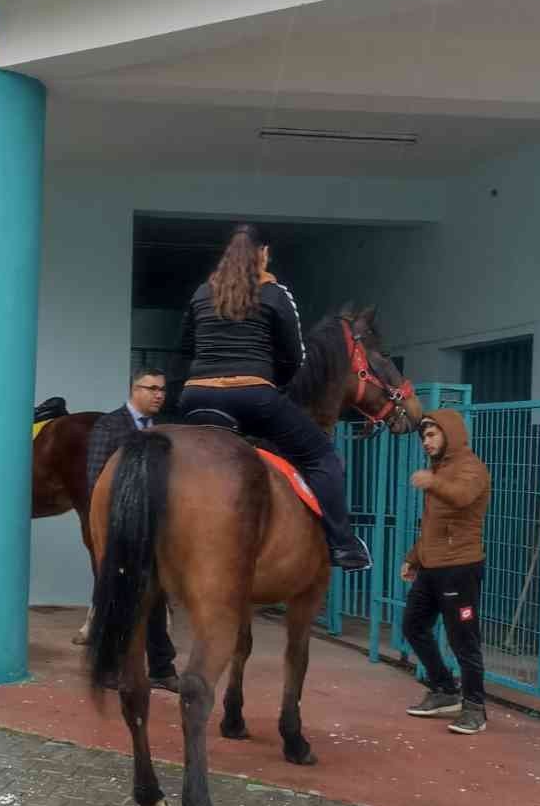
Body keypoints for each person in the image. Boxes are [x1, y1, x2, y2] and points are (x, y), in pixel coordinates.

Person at [178, 222, 371, 571]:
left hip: (196, 398)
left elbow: (185, 348)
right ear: (263, 253)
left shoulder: (200, 293)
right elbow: (294, 357)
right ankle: (343, 545)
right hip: (252, 397)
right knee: (323, 457)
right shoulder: (275, 294)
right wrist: (274, 385)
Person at [86, 371, 179, 691]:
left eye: (162, 390)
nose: (158, 395)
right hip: (118, 530)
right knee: (114, 599)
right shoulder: (110, 426)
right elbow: (95, 480)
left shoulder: (163, 432)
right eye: (151, 388)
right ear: (134, 390)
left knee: (155, 599)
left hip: (154, 531)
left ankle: (162, 668)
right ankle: (108, 668)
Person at [402, 410, 492, 734]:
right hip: (431, 567)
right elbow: (433, 525)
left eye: (432, 435)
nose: (426, 442)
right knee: (413, 626)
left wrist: (433, 482)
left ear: (449, 434)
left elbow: (462, 497)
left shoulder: (471, 467)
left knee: (463, 640)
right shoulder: (437, 469)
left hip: (460, 568)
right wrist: (413, 558)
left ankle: (475, 708)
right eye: (424, 437)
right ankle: (444, 690)